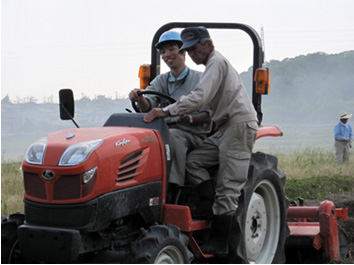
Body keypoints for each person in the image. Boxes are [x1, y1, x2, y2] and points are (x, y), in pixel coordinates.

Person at [143, 26, 258, 256]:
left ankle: (221, 243)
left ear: (209, 44)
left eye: (194, 49)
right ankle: (206, 203)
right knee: (193, 161)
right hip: (223, 127)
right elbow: (148, 99)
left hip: (237, 125)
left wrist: (166, 111)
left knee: (228, 188)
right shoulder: (195, 70)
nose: (193, 54)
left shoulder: (215, 63)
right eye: (189, 49)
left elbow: (199, 97)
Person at [129, 31, 212, 201]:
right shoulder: (161, 81)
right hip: (165, 130)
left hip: (194, 133)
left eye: (172, 49)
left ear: (184, 52)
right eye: (163, 52)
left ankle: (173, 189)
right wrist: (140, 98)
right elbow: (147, 107)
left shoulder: (200, 79)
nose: (167, 55)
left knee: (173, 137)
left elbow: (209, 114)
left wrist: (189, 118)